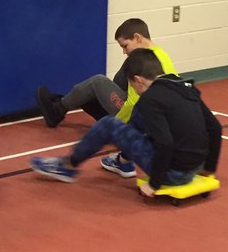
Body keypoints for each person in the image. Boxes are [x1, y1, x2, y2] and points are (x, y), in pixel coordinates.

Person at [29, 48, 221, 195]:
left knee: (109, 124)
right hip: (196, 166)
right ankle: (123, 161)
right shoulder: (186, 87)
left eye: (131, 85)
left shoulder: (151, 99)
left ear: (138, 80)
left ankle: (68, 166)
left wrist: (154, 184)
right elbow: (215, 127)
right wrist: (209, 169)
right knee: (138, 116)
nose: (133, 89)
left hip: (174, 175)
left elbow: (165, 143)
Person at [36, 17, 179, 177]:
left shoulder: (142, 63)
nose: (124, 52)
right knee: (109, 83)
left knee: (97, 82)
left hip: (139, 116)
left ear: (138, 37)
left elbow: (133, 103)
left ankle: (57, 110)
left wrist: (119, 128)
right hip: (153, 117)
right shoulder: (160, 55)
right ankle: (121, 156)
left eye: (125, 46)